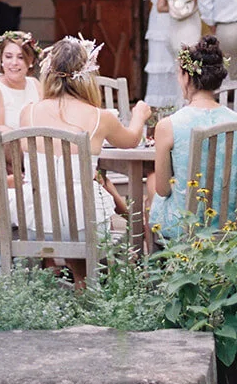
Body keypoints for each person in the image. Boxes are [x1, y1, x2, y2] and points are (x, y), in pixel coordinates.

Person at [19, 36, 151, 262]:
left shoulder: (28, 113)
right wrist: (139, 115)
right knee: (84, 213)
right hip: (84, 226)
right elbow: (131, 140)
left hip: (36, 222)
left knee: (63, 208)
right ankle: (85, 285)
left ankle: (54, 274)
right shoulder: (100, 117)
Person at [148, 35, 237, 243]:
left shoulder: (169, 125)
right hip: (230, 222)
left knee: (152, 183)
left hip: (186, 223)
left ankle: (155, 270)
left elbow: (163, 189)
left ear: (186, 76)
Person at [0, 29, 42, 146]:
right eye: (8, 57)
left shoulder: (35, 85)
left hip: (36, 153)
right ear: (1, 60)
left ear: (31, 61)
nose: (14, 63)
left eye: (21, 57)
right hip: (7, 158)